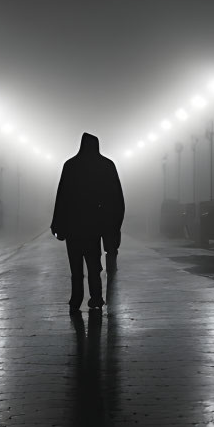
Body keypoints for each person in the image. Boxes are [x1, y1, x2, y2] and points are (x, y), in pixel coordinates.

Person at [50, 132, 125, 311]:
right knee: (93, 265)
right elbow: (116, 199)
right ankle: (96, 298)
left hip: (73, 225)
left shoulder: (71, 165)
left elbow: (62, 197)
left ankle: (76, 299)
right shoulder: (106, 165)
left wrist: (57, 223)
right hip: (94, 226)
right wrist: (113, 226)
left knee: (75, 267)